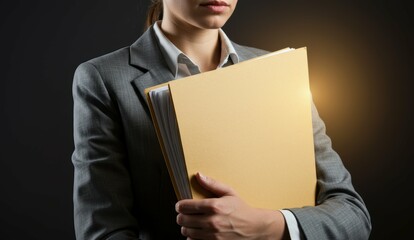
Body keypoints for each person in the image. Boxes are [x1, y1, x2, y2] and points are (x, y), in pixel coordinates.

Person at [72, 0, 372, 239]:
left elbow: (353, 215)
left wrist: (268, 226)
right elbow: (103, 229)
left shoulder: (279, 72)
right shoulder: (103, 78)